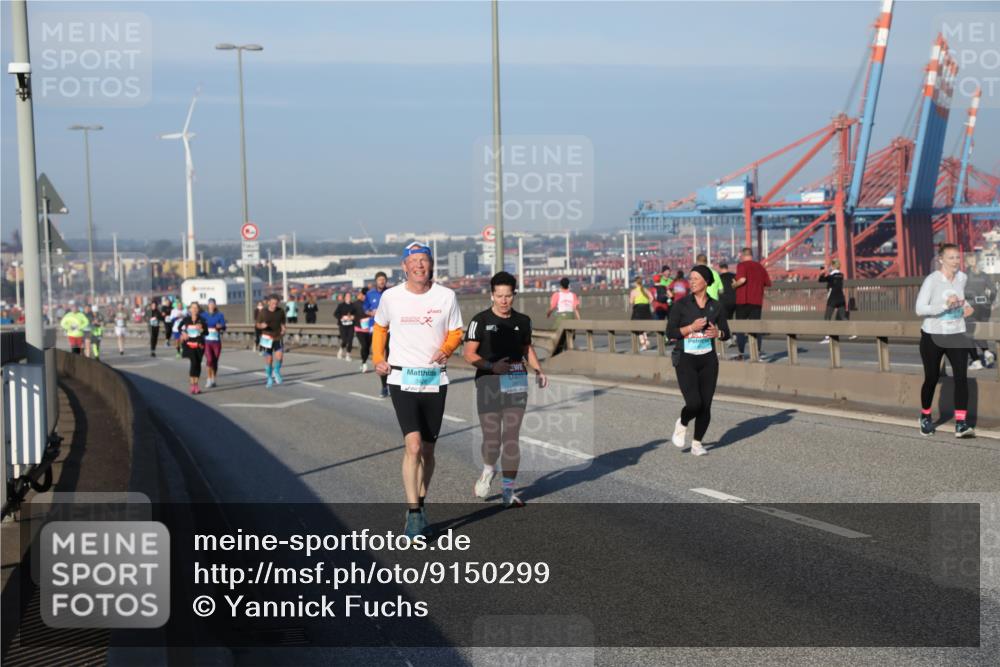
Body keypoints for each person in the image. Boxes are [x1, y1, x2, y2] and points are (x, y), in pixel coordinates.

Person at [373, 243, 463, 537]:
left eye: (424, 260)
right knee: (412, 446)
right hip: (402, 378)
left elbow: (456, 331)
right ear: (404, 267)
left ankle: (421, 501)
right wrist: (378, 358)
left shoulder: (446, 296)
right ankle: (413, 514)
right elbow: (380, 327)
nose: (419, 266)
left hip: (434, 379)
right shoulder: (391, 297)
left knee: (428, 449)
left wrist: (447, 348)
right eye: (413, 261)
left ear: (431, 264)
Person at [464, 271, 547, 508]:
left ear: (514, 295)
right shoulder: (480, 320)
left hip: (515, 380)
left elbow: (526, 349)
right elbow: (469, 354)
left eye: (508, 296)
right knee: (492, 440)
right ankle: (489, 469)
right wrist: (491, 366)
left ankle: (508, 492)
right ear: (492, 295)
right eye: (499, 296)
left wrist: (539, 370)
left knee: (511, 438)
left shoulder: (523, 321)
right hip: (488, 381)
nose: (503, 301)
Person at [667, 265, 731, 456]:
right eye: (690, 278)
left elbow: (726, 333)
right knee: (694, 403)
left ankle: (697, 443)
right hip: (685, 359)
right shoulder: (681, 305)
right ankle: (683, 422)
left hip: (708, 360)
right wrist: (690, 328)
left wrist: (718, 333)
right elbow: (670, 333)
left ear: (705, 281)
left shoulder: (716, 306)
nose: (691, 282)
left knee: (706, 404)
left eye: (695, 278)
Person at [916, 243, 975, 438]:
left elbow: (960, 299)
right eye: (951, 258)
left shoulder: (962, 278)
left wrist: (966, 307)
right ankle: (925, 417)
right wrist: (943, 304)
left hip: (957, 333)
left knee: (961, 378)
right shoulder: (932, 280)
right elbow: (920, 309)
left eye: (957, 257)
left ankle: (961, 423)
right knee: (932, 377)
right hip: (933, 334)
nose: (956, 261)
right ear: (941, 259)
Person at [732, 247, 772, 360]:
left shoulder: (741, 265)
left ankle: (741, 353)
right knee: (756, 328)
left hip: (743, 301)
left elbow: (742, 279)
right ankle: (757, 352)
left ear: (742, 255)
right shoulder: (760, 267)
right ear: (752, 255)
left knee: (740, 328)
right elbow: (767, 283)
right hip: (757, 301)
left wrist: (734, 285)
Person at [964, 256, 996, 370]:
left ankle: (976, 361)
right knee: (980, 331)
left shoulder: (964, 276)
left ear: (965, 263)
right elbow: (993, 290)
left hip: (971, 306)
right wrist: (990, 302)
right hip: (985, 306)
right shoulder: (984, 274)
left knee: (968, 334)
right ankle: (987, 353)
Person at [364, 272, 391, 398]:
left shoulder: (391, 293)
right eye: (379, 279)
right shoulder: (370, 294)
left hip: (390, 329)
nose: (382, 281)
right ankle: (384, 387)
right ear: (376, 281)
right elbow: (364, 308)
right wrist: (370, 312)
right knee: (381, 358)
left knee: (392, 357)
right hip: (376, 329)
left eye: (383, 279)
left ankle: (393, 384)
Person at [256, 294, 287, 388]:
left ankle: (276, 371)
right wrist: (261, 326)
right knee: (269, 360)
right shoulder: (263, 312)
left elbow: (283, 323)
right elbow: (257, 324)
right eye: (273, 303)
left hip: (277, 337)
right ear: (268, 302)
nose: (274, 305)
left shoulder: (281, 311)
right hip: (266, 338)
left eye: (276, 303)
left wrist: (284, 329)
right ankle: (269, 378)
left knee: (280, 356)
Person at [179, 302, 208, 395]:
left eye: (196, 308)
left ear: (198, 309)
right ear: (190, 309)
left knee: (198, 364)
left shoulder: (202, 320)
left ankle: (196, 384)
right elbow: (179, 327)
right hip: (189, 345)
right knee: (193, 362)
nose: (194, 309)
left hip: (199, 345)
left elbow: (206, 332)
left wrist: (202, 330)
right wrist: (183, 333)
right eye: (193, 307)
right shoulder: (186, 319)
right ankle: (193, 385)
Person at [818, 260, 847, 344]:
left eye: (831, 265)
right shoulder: (841, 275)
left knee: (827, 317)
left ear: (833, 266)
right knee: (843, 317)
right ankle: (853, 333)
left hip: (833, 298)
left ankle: (827, 337)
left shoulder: (831, 276)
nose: (830, 267)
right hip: (841, 298)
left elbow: (821, 280)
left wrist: (823, 272)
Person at [202, 298, 227, 388]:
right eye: (210, 304)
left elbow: (224, 326)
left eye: (213, 304)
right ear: (208, 305)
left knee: (215, 361)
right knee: (209, 360)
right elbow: (198, 323)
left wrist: (221, 326)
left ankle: (213, 378)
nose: (211, 305)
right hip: (207, 341)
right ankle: (208, 379)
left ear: (215, 305)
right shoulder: (203, 315)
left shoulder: (220, 315)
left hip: (216, 341)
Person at [628, 276, 653, 351]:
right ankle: (646, 341)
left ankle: (643, 343)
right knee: (644, 327)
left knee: (637, 328)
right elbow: (652, 298)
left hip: (638, 310)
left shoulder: (634, 291)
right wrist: (647, 303)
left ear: (636, 283)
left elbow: (631, 302)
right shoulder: (645, 290)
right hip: (646, 309)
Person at [353, 287, 373, 373]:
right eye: (364, 295)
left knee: (368, 348)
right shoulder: (356, 304)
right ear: (361, 295)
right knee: (364, 345)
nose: (365, 297)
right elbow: (350, 313)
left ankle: (363, 361)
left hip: (369, 329)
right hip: (359, 329)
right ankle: (364, 363)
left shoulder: (371, 303)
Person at [334, 292, 356, 361]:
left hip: (351, 325)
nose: (348, 297)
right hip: (343, 325)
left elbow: (357, 314)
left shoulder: (353, 305)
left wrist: (353, 317)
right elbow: (335, 314)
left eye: (349, 296)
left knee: (350, 340)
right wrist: (342, 317)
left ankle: (348, 355)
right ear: (344, 297)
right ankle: (341, 350)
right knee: (344, 340)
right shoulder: (341, 305)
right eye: (347, 296)